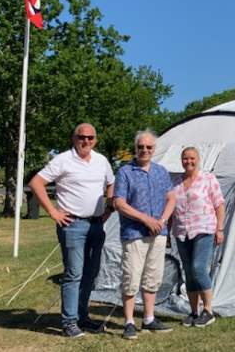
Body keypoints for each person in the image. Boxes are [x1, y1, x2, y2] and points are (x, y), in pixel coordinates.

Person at [28, 123, 115, 338]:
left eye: (90, 138)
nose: (86, 141)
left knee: (90, 274)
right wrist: (53, 212)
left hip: (96, 224)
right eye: (81, 137)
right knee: (73, 273)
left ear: (95, 139)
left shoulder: (101, 160)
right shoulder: (63, 160)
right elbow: (36, 183)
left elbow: (111, 183)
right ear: (74, 138)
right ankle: (69, 322)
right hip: (72, 224)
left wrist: (109, 206)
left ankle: (82, 317)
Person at [113, 129, 176, 340]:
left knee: (153, 276)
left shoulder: (161, 171)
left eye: (149, 147)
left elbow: (171, 199)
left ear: (154, 149)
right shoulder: (125, 172)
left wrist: (162, 221)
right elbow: (119, 203)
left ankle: (148, 319)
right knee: (131, 276)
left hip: (158, 232)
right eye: (141, 147)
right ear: (135, 148)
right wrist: (145, 219)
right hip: (134, 232)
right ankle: (129, 322)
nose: (145, 150)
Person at [170, 147, 225, 327]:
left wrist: (220, 228)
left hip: (204, 228)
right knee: (188, 272)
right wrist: (168, 232)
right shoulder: (176, 182)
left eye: (192, 158)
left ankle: (208, 310)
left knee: (198, 267)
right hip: (181, 231)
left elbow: (219, 205)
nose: (189, 162)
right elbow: (171, 209)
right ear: (181, 160)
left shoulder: (208, 179)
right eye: (185, 158)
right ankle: (194, 312)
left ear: (198, 159)